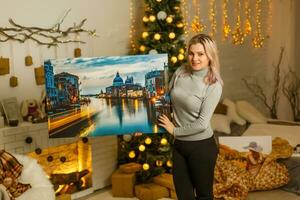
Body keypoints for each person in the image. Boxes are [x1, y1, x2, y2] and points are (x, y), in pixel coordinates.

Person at [158, 33, 223, 200]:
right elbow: (166, 101)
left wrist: (175, 130)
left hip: (201, 147)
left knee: (204, 196)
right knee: (184, 196)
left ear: (210, 56)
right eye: (191, 53)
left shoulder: (214, 85)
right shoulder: (181, 72)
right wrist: (144, 125)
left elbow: (202, 124)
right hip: (179, 146)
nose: (194, 58)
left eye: (200, 54)